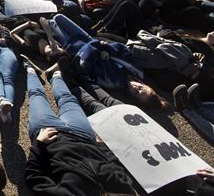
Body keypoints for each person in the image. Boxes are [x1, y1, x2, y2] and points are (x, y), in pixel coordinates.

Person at [22, 59, 136, 195]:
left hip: (50, 138)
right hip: (83, 135)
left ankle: (30, 70)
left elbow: (34, 178)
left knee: (37, 96)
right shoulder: (126, 190)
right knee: (67, 99)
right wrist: (103, 148)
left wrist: (39, 144)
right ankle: (55, 75)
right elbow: (116, 166)